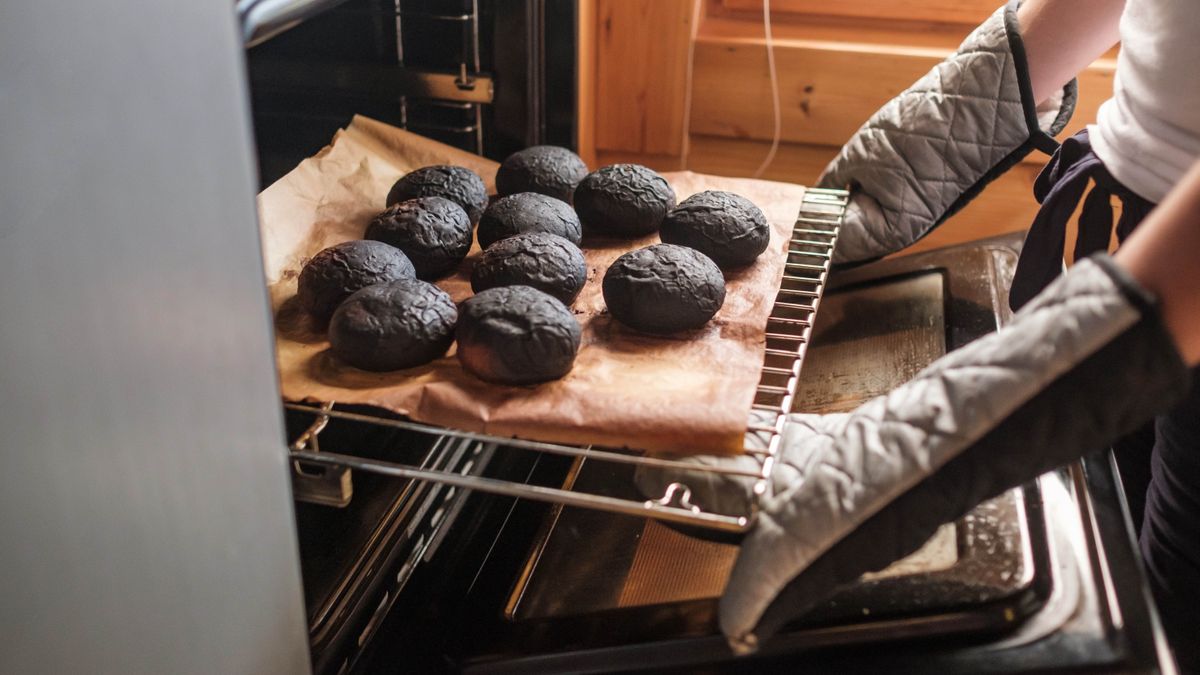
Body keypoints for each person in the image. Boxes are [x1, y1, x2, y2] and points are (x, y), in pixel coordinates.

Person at [640, 0, 1200, 670]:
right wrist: (960, 113)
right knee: (1127, 552)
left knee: (1178, 599)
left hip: (1177, 274)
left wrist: (919, 436)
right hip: (1126, 227)